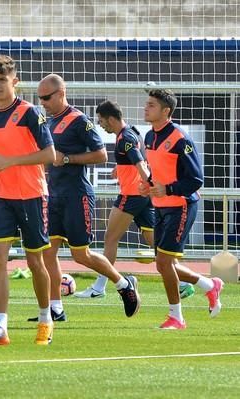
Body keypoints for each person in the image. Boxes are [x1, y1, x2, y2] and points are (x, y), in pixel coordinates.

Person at [33, 74, 140, 322]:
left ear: (61, 93)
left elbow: (101, 154)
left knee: (81, 255)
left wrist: (67, 159)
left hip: (76, 196)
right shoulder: (50, 122)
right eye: (40, 98)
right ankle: (56, 309)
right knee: (47, 253)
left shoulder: (79, 120)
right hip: (54, 196)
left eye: (46, 97)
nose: (43, 102)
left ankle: (123, 283)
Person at [76, 100, 195, 299]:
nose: (100, 124)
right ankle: (185, 283)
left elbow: (141, 164)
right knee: (156, 244)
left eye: (101, 120)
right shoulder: (132, 133)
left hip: (132, 195)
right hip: (143, 196)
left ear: (111, 119)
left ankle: (99, 287)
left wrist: (148, 182)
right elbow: (144, 158)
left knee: (110, 239)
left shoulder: (125, 138)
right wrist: (122, 169)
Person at [0, 55, 55, 346]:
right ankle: (1, 327)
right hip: (2, 197)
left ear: (15, 82)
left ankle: (46, 319)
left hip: (33, 195)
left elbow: (50, 155)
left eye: (2, 80)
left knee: (36, 261)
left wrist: (10, 161)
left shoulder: (30, 113)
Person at [140, 89, 223, 329]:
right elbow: (158, 172)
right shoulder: (149, 137)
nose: (146, 108)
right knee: (166, 263)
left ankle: (176, 317)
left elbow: (196, 179)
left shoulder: (180, 139)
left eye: (152, 105)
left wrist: (168, 189)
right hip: (161, 206)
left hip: (182, 205)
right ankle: (210, 286)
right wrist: (149, 185)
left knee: (164, 263)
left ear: (166, 111)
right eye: (147, 103)